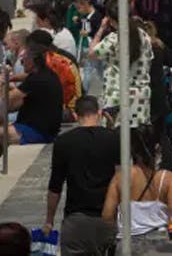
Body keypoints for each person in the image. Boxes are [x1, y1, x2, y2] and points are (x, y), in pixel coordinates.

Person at [45, 95, 119, 255]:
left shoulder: (63, 142)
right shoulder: (114, 139)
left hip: (76, 219)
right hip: (107, 217)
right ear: (99, 113)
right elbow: (121, 177)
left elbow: (55, 186)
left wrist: (49, 220)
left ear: (75, 115)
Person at [100, 125, 172, 254]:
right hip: (158, 243)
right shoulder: (166, 178)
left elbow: (107, 215)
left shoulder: (121, 177)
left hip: (127, 244)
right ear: (157, 148)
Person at [90, 15, 153, 128]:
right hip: (140, 97)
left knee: (116, 140)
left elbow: (92, 53)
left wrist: (101, 28)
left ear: (111, 21)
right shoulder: (145, 37)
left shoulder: (113, 39)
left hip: (117, 97)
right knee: (138, 139)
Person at [5, 43, 62, 144]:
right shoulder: (47, 74)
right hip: (42, 128)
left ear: (32, 61)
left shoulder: (36, 80)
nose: (22, 64)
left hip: (38, 132)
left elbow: (7, 98)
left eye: (23, 61)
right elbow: (24, 77)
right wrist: (10, 79)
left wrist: (3, 84)